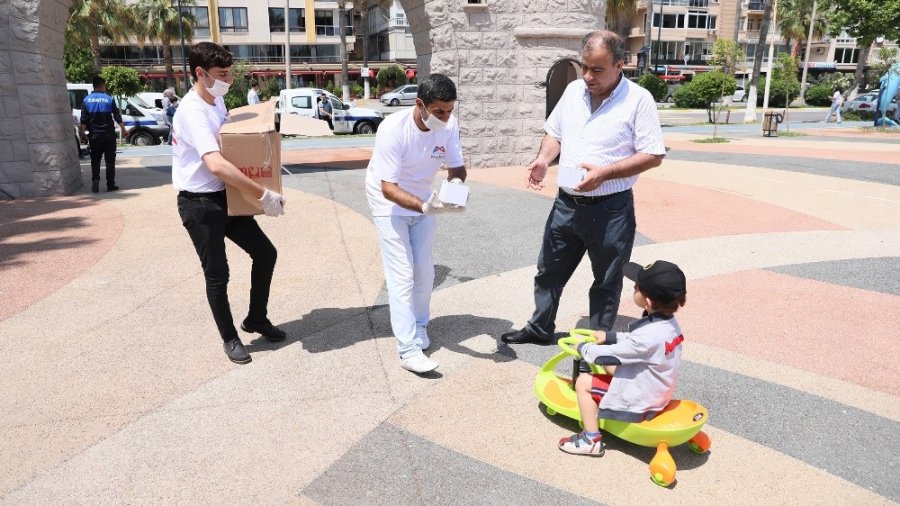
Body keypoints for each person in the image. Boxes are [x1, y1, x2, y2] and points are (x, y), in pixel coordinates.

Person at [501, 30, 666, 345]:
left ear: (620, 65)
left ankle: (596, 344)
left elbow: (653, 155)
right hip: (566, 204)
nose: (588, 76)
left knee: (606, 281)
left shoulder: (638, 100)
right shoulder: (573, 91)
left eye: (597, 69)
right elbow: (555, 133)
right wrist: (542, 159)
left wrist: (605, 173)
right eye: (585, 66)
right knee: (548, 271)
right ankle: (539, 329)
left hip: (611, 209)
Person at [171, 42, 287, 365]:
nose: (229, 80)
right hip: (199, 204)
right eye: (222, 75)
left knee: (266, 253)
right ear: (200, 73)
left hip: (223, 195)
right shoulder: (192, 111)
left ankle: (256, 319)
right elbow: (216, 164)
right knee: (217, 274)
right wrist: (261, 194)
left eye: (229, 73)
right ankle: (230, 337)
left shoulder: (216, 100)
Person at [365, 73, 466, 374]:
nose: (446, 118)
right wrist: (423, 206)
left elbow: (457, 167)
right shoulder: (393, 129)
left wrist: (455, 192)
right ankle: (407, 350)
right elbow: (388, 188)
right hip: (388, 203)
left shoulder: (449, 126)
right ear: (420, 104)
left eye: (450, 110)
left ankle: (420, 325)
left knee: (424, 269)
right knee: (401, 273)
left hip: (425, 199)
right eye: (439, 112)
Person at [558, 260, 686, 456]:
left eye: (636, 287)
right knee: (609, 365)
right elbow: (636, 343)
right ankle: (600, 395)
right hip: (657, 389)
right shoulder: (668, 324)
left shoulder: (647, 337)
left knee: (583, 382)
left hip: (641, 400)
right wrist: (609, 337)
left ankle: (590, 439)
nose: (633, 288)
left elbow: (609, 353)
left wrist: (583, 347)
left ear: (648, 301)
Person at [79, 75, 128, 193]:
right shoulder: (109, 99)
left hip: (95, 135)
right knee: (110, 161)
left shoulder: (86, 100)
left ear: (94, 86)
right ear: (103, 86)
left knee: (95, 160)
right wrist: (123, 129)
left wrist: (82, 134)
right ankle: (110, 184)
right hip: (109, 135)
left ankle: (95, 180)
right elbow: (117, 116)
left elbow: (84, 119)